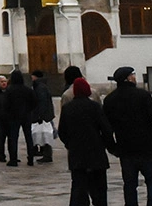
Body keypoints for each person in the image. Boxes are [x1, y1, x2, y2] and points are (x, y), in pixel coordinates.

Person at [103, 66, 152, 206]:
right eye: (132, 75)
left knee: (130, 183)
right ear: (127, 78)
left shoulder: (110, 100)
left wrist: (112, 147)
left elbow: (106, 128)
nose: (135, 77)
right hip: (146, 146)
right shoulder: (142, 95)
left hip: (125, 148)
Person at [58, 77, 115, 206]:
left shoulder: (68, 108)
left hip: (77, 154)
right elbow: (106, 129)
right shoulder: (95, 107)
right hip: (96, 153)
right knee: (99, 190)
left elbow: (62, 132)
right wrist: (107, 145)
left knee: (78, 187)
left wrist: (70, 144)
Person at [4, 70, 37, 167]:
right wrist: (28, 110)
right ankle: (30, 158)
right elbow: (34, 102)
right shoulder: (27, 90)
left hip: (14, 116)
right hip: (26, 115)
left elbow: (6, 103)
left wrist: (8, 112)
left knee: (13, 138)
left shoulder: (9, 90)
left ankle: (13, 159)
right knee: (28, 137)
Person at [31, 70, 57, 163]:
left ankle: (47, 154)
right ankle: (43, 152)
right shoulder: (41, 86)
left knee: (46, 135)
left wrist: (39, 115)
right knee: (42, 134)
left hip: (43, 117)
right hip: (45, 115)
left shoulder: (40, 87)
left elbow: (42, 102)